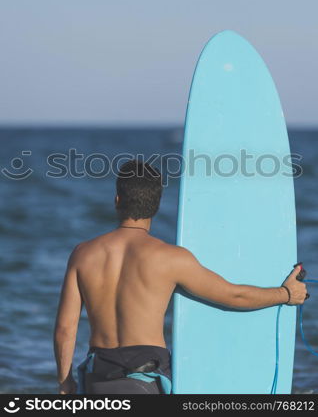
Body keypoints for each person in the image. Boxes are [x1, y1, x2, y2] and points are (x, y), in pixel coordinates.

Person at [54, 160, 307, 394]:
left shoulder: (83, 254)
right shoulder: (172, 258)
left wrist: (65, 383)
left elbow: (65, 329)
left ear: (118, 200)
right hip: (146, 380)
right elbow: (233, 295)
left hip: (98, 377)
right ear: (155, 206)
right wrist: (285, 294)